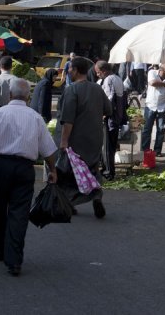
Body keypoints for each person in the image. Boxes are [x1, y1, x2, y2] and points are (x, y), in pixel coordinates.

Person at [0, 78, 58, 277]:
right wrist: (52, 170)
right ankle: (14, 260)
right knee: (19, 213)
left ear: (10, 96)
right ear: (28, 97)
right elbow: (48, 150)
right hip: (24, 169)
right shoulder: (35, 117)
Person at [54, 56, 112, 217]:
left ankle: (70, 203)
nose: (69, 71)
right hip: (94, 138)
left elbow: (68, 119)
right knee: (91, 170)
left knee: (69, 173)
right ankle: (97, 195)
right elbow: (108, 110)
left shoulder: (71, 90)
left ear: (76, 70)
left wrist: (64, 141)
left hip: (75, 140)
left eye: (70, 69)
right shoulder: (97, 89)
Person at [95, 60, 123, 181]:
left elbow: (109, 99)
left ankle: (108, 172)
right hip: (116, 117)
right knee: (110, 146)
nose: (97, 75)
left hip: (110, 118)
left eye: (98, 72)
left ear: (104, 71)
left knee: (107, 147)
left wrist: (103, 115)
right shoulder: (117, 78)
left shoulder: (108, 80)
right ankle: (107, 169)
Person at [140, 63, 165, 156]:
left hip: (163, 106)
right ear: (160, 70)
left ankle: (157, 151)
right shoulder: (152, 72)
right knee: (147, 129)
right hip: (150, 105)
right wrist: (164, 84)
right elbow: (152, 83)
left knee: (161, 130)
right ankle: (145, 150)